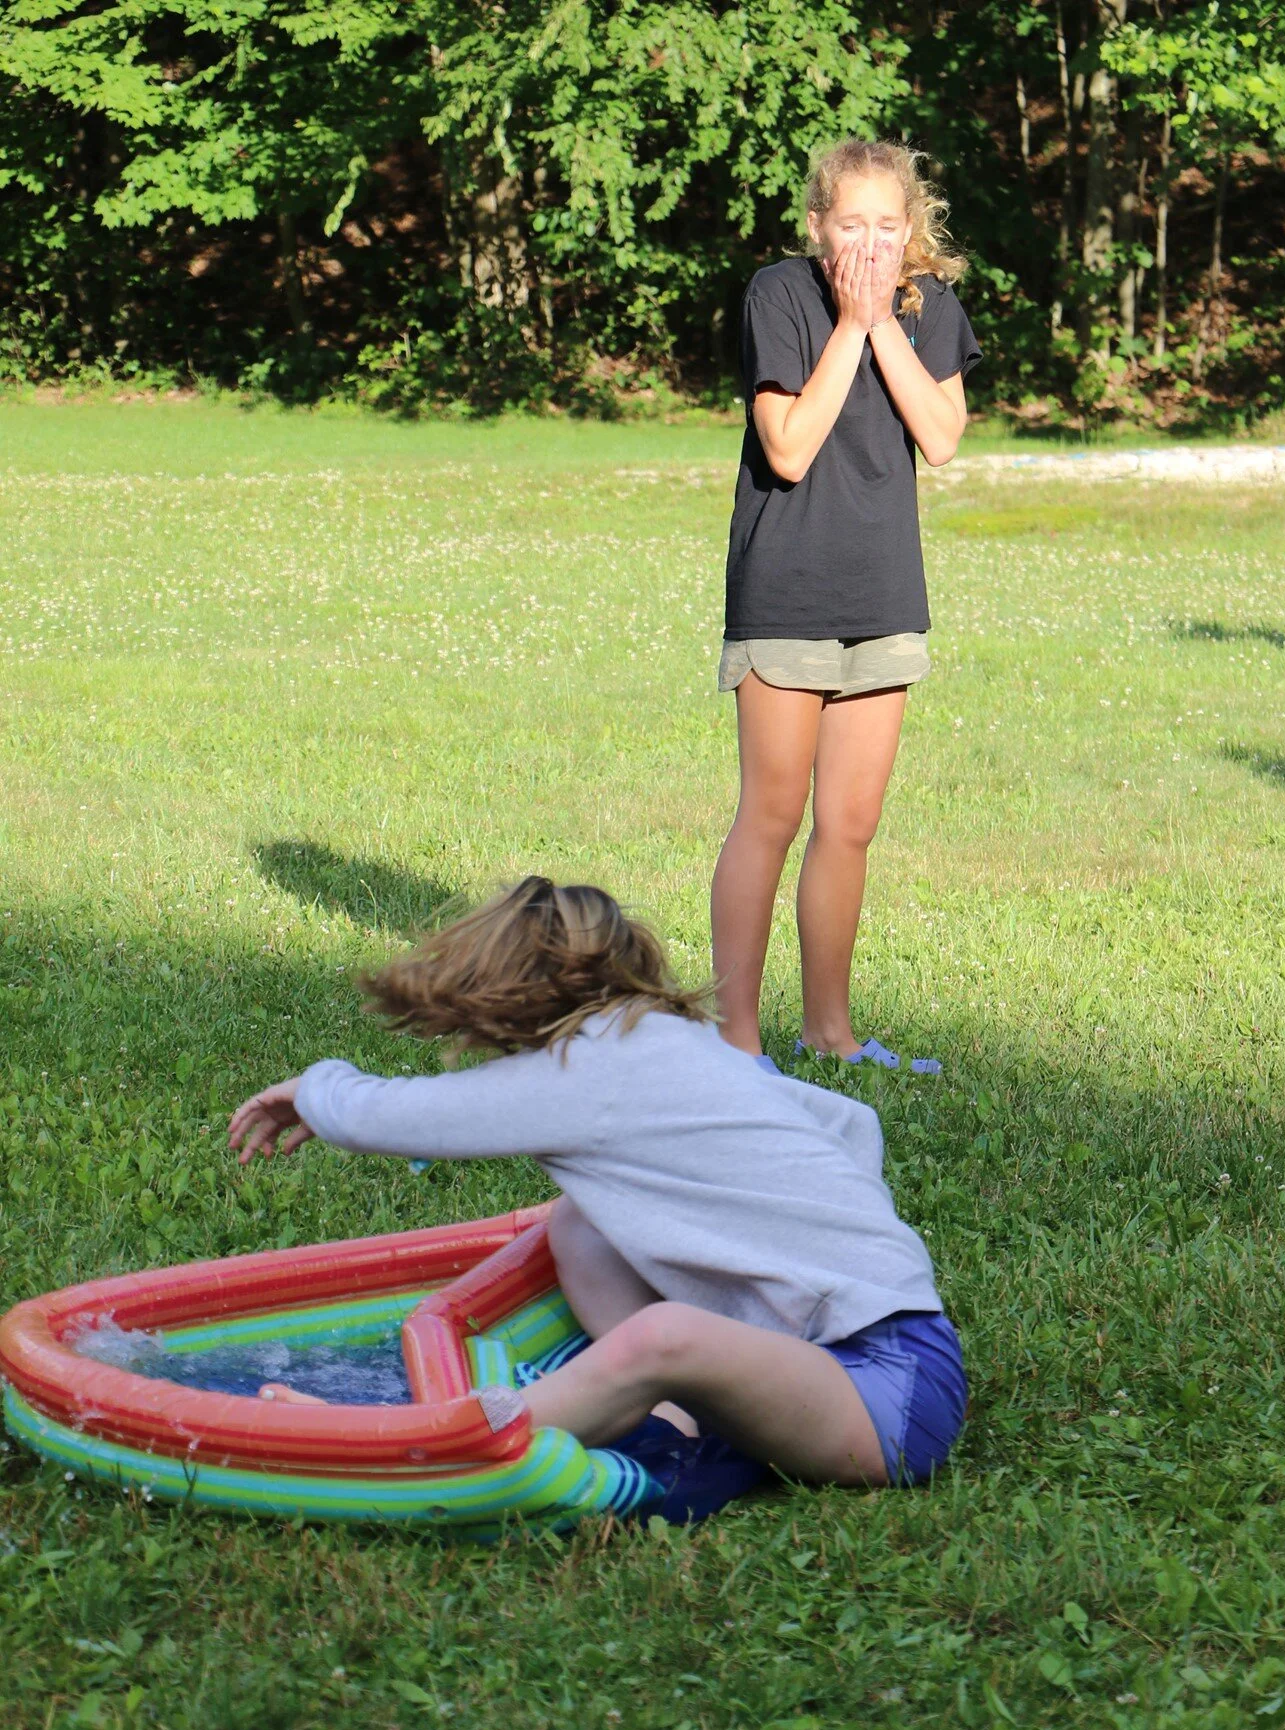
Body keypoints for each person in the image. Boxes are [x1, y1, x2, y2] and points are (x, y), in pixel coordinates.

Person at [228, 878, 966, 1500]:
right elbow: (851, 1121)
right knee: (581, 1227)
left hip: (889, 1397)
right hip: (842, 1361)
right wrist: (844, 1252)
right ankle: (675, 1416)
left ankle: (425, 1442)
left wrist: (318, 1090)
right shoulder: (670, 1039)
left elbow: (411, 1116)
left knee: (663, 1336)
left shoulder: (589, 1067)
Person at [711, 138, 981, 1073]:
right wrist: (849, 327)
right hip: (785, 590)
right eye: (851, 224)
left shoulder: (928, 306)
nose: (869, 241)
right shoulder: (779, 293)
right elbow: (787, 447)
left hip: (882, 592)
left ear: (911, 230)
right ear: (818, 225)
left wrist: (882, 324)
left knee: (850, 825)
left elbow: (940, 437)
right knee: (771, 816)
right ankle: (735, 1046)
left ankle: (830, 1033)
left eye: (887, 225)